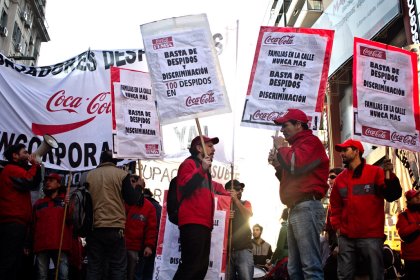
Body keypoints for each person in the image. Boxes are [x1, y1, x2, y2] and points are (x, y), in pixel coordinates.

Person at [268, 108, 329, 279]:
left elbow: (296, 165)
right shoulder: (298, 146)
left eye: (285, 125)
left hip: (306, 206)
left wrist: (281, 148)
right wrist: (278, 167)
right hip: (297, 208)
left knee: (310, 267)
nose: (282, 129)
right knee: (294, 269)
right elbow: (293, 179)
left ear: (299, 125)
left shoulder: (311, 142)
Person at [330, 139, 402, 280]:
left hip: (371, 237)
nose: (342, 154)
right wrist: (337, 228)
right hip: (346, 237)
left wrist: (390, 176)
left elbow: (392, 195)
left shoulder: (375, 172)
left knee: (376, 275)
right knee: (344, 275)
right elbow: (335, 206)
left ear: (357, 151)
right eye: (341, 151)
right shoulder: (339, 180)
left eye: (346, 150)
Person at [173, 135, 227, 280]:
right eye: (209, 145)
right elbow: (185, 187)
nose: (213, 149)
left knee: (200, 268)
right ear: (198, 148)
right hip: (193, 222)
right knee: (191, 267)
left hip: (203, 224)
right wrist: (201, 169)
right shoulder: (189, 164)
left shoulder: (205, 170)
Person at [85, 150, 142, 280]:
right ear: (115, 161)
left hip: (95, 227)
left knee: (94, 267)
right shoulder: (122, 175)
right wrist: (139, 187)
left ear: (101, 159)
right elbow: (132, 200)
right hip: (115, 228)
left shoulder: (89, 175)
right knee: (117, 267)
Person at [0, 143, 42, 279]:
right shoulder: (11, 169)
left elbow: (34, 183)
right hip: (13, 223)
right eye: (25, 152)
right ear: (15, 156)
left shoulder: (14, 170)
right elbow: (30, 180)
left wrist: (35, 166)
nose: (28, 154)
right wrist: (35, 165)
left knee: (15, 263)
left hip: (16, 223)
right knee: (10, 263)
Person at [32, 173, 72, 280]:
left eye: (51, 180)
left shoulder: (66, 202)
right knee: (42, 276)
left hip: (60, 245)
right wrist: (28, 243)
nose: (47, 182)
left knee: (63, 275)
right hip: (42, 245)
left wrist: (70, 206)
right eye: (46, 180)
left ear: (59, 184)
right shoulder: (38, 203)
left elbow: (71, 220)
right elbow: (33, 225)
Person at [125, 175, 157, 280]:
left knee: (133, 276)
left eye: (135, 181)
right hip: (120, 247)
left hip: (137, 250)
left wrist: (149, 246)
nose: (133, 184)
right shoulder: (121, 201)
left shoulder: (149, 207)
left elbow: (151, 229)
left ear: (142, 186)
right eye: (131, 182)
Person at [225, 179, 254, 280]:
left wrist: (236, 200)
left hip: (244, 250)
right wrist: (226, 216)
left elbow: (248, 214)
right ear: (228, 191)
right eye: (237, 189)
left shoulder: (246, 203)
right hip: (227, 251)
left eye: (241, 189)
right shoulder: (223, 205)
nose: (240, 191)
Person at [396, 189, 420, 280]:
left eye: (418, 195)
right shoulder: (403, 216)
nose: (418, 197)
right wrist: (417, 226)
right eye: (415, 196)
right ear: (409, 200)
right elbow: (403, 234)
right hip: (411, 259)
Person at [139, 187, 162, 280]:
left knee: (138, 272)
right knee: (149, 271)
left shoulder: (141, 204)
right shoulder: (158, 206)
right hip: (154, 244)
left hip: (140, 244)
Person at [267, 208, 289, 280]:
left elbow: (279, 248)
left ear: (283, 216)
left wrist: (271, 261)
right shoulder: (296, 228)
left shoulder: (284, 228)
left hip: (284, 261)